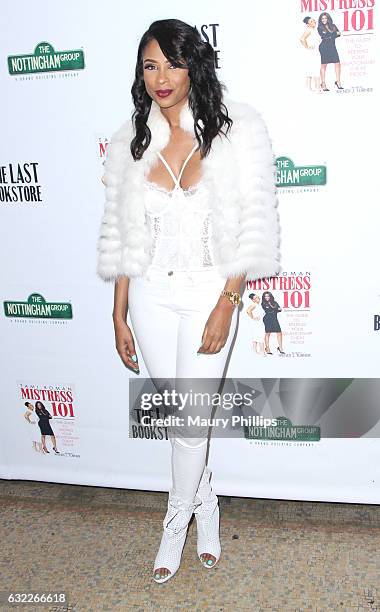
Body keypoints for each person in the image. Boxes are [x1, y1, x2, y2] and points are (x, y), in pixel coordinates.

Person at [97, 18, 281, 584]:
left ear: (193, 66)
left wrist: (228, 300)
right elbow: (123, 231)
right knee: (186, 422)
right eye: (150, 65)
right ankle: (208, 506)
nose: (161, 77)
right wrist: (119, 311)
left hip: (208, 292)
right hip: (151, 296)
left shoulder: (236, 132)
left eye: (172, 64)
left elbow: (254, 227)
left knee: (188, 423)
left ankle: (175, 522)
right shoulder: (132, 142)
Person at [317, 12, 343, 91]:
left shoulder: (333, 26)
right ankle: (323, 83)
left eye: (325, 18)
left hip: (332, 47)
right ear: (320, 20)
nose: (324, 20)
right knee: (324, 65)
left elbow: (339, 34)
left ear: (328, 18)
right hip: (324, 47)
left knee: (337, 63)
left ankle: (338, 82)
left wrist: (331, 34)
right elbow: (325, 36)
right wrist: (333, 34)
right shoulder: (320, 27)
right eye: (322, 18)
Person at [300, 16, 321, 93]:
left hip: (315, 51)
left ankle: (309, 88)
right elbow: (302, 39)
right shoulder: (309, 30)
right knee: (315, 69)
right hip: (312, 53)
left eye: (313, 20)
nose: (314, 22)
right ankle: (317, 88)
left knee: (311, 69)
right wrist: (307, 47)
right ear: (308, 24)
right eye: (311, 22)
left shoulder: (313, 30)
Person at [261, 291, 285, 355]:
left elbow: (280, 309)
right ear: (264, 297)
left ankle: (280, 348)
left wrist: (275, 309)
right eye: (265, 296)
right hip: (267, 319)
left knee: (279, 332)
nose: (266, 297)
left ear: (270, 296)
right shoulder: (263, 303)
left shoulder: (275, 302)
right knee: (268, 333)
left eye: (268, 296)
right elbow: (268, 310)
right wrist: (275, 309)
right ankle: (267, 348)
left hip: (274, 318)